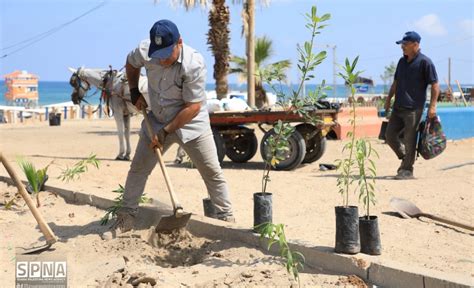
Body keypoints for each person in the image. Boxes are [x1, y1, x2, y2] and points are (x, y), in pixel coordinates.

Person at [112, 19, 234, 232]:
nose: (162, 61)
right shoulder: (144, 51)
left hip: (192, 124)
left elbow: (194, 106)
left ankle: (226, 220)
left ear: (179, 42)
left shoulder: (194, 63)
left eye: (167, 55)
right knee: (138, 170)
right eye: (158, 55)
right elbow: (131, 64)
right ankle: (126, 218)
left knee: (212, 172)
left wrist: (166, 132)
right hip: (156, 119)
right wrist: (134, 91)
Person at [384, 31, 440, 180]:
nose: (402, 47)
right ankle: (405, 157)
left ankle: (407, 170)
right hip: (398, 107)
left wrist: (432, 107)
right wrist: (388, 99)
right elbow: (396, 82)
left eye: (405, 44)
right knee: (389, 136)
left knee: (410, 139)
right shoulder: (402, 62)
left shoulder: (425, 62)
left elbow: (435, 85)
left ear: (415, 45)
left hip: (414, 109)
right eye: (402, 44)